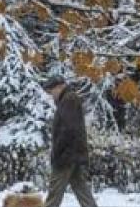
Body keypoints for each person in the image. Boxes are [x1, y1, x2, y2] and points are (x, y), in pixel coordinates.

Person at [42, 77, 98, 207]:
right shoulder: (69, 100)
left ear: (60, 86)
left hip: (66, 156)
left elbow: (68, 129)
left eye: (52, 91)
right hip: (74, 155)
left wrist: (59, 153)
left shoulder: (68, 100)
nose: (51, 95)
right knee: (82, 190)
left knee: (54, 193)